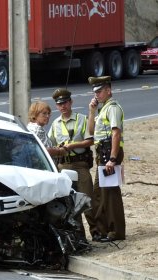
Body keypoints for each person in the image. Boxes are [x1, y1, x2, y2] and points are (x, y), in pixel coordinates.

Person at [47, 88, 96, 241]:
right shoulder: (55, 124)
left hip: (80, 165)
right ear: (56, 106)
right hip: (64, 167)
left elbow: (91, 140)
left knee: (87, 200)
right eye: (59, 104)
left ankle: (96, 232)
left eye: (65, 102)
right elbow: (50, 145)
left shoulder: (82, 119)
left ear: (71, 102)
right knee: (70, 204)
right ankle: (78, 236)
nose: (63, 106)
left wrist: (73, 145)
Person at [87, 76, 125, 242]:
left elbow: (116, 133)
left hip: (109, 154)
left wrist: (112, 158)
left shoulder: (113, 108)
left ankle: (116, 232)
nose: (97, 95)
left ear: (108, 90)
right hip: (102, 155)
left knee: (110, 194)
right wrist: (91, 111)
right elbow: (91, 131)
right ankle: (102, 230)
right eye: (95, 92)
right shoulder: (103, 109)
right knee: (98, 194)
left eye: (100, 91)